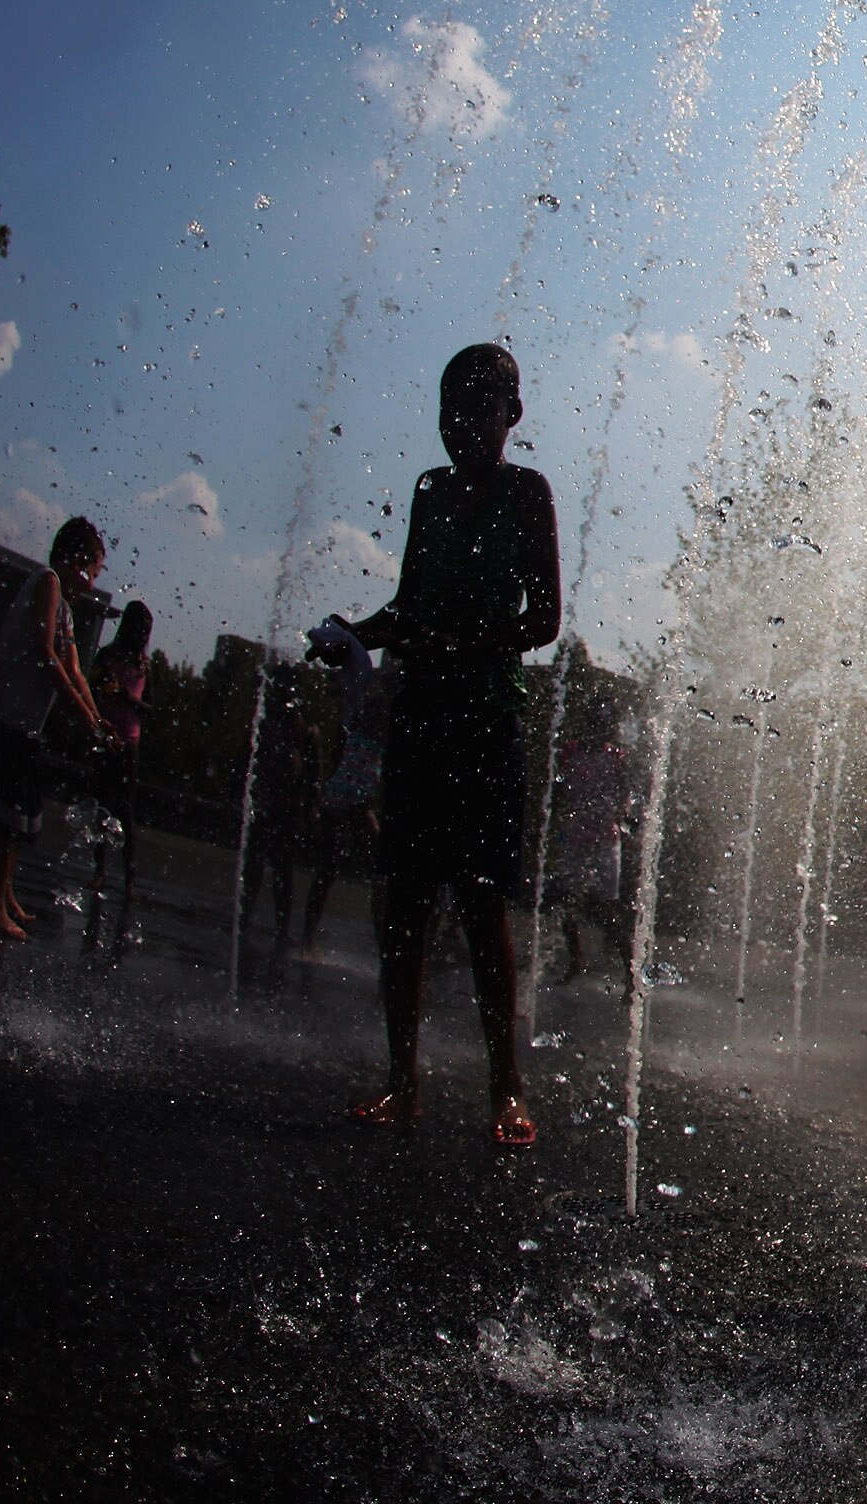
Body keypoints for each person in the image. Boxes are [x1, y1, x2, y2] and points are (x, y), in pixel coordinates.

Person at [329, 344, 559, 1147]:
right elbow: (407, 605)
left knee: (481, 902)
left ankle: (506, 1087)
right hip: (423, 714)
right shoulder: (430, 493)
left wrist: (464, 643)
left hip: (487, 718)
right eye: (448, 408)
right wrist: (353, 633)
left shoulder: (528, 493)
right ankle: (402, 1080)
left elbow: (544, 621)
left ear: (511, 416)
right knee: (406, 903)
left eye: (477, 409)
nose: (459, 425)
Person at [0, 519, 109, 942]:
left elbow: (74, 669)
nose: (90, 584)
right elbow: (45, 654)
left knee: (21, 812)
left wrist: (96, 716)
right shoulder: (48, 582)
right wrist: (79, 712)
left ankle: (7, 895)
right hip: (7, 713)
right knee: (8, 818)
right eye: (91, 572)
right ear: (73, 561)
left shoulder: (66, 608)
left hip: (25, 722)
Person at [308, 613, 391, 948]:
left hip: (343, 791)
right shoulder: (359, 683)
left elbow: (334, 634)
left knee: (330, 870)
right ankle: (384, 946)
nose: (326, 664)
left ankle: (307, 939)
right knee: (380, 874)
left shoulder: (355, 663)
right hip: (356, 793)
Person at [240, 683, 326, 956]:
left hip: (288, 808)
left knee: (281, 871)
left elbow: (314, 772)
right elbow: (250, 759)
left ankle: (280, 927)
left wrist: (311, 806)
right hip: (270, 804)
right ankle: (247, 920)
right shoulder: (269, 724)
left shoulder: (304, 729)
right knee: (258, 865)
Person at [545, 726, 636, 984]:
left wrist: (623, 814)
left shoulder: (615, 758)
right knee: (566, 900)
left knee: (605, 907)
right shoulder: (569, 753)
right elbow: (557, 788)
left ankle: (629, 969)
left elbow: (626, 792)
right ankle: (575, 961)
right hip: (574, 838)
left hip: (605, 841)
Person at [85, 599, 154, 913]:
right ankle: (99, 871)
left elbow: (152, 709)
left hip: (130, 740)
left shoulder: (144, 665)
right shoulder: (108, 656)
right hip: (107, 735)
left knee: (125, 811)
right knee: (103, 806)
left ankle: (129, 880)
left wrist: (131, 701)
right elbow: (91, 687)